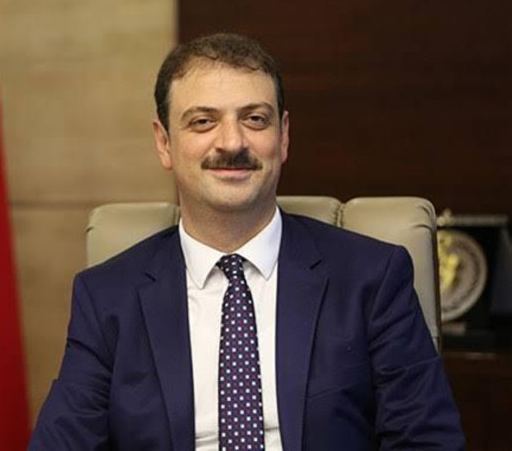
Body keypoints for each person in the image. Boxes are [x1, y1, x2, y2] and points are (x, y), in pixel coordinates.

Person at [28, 33, 464, 450]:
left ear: (283, 136)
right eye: (203, 121)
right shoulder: (107, 298)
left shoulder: (372, 278)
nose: (232, 142)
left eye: (254, 119)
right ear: (164, 142)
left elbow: (427, 442)